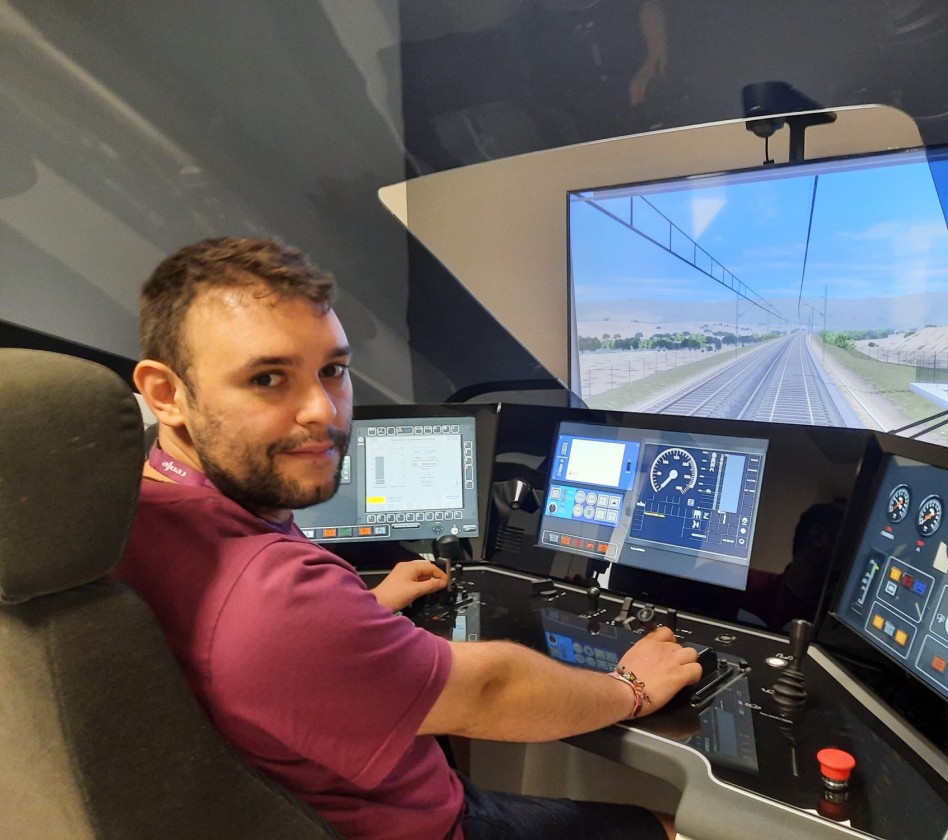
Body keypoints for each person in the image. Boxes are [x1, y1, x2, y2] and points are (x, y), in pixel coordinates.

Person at [117, 236, 701, 840]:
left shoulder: (132, 514)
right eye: (268, 378)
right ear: (166, 394)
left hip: (319, 798)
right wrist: (630, 687)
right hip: (424, 828)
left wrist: (360, 611)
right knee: (669, 829)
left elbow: (259, 653)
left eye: (332, 371)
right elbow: (489, 689)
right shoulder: (276, 597)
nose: (321, 409)